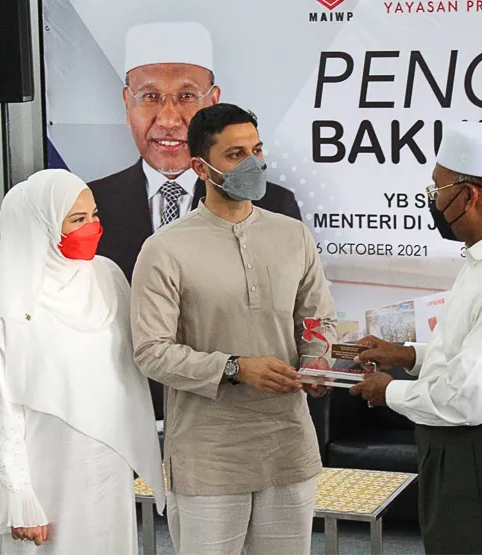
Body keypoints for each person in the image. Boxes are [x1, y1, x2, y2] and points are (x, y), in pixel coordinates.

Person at [130, 103, 335, 555]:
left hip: (287, 443)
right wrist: (235, 368)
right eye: (236, 154)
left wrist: (318, 362)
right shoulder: (165, 248)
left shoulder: (293, 235)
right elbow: (151, 351)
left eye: (257, 150)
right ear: (200, 168)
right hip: (209, 454)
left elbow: (317, 319)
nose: (253, 164)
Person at [349, 121, 482, 554]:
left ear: (469, 195)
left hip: (481, 452)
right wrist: (407, 355)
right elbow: (472, 355)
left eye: (437, 189)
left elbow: (468, 397)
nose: (433, 201)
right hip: (466, 448)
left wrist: (388, 392)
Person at [0, 169, 166, 554]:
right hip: (46, 474)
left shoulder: (108, 277)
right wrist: (19, 501)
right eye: (77, 219)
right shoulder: (11, 310)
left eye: (94, 215)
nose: (92, 227)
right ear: (41, 224)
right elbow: (1, 412)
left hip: (108, 462)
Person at [89, 22, 301, 282]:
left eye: (187, 96)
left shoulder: (273, 206)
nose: (168, 120)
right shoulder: (90, 204)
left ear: (213, 102)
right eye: (150, 96)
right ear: (127, 103)